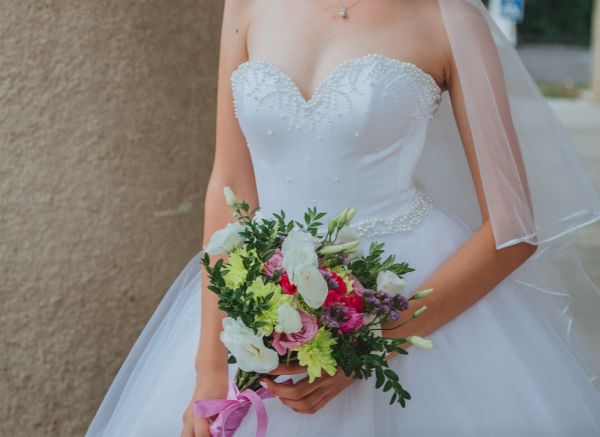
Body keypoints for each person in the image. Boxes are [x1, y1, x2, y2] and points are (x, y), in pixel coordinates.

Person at [85, 0, 600, 436]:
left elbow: (514, 230)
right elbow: (231, 188)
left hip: (409, 296)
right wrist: (210, 370)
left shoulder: (448, 15)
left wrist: (372, 346)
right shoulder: (247, 4)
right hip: (258, 301)